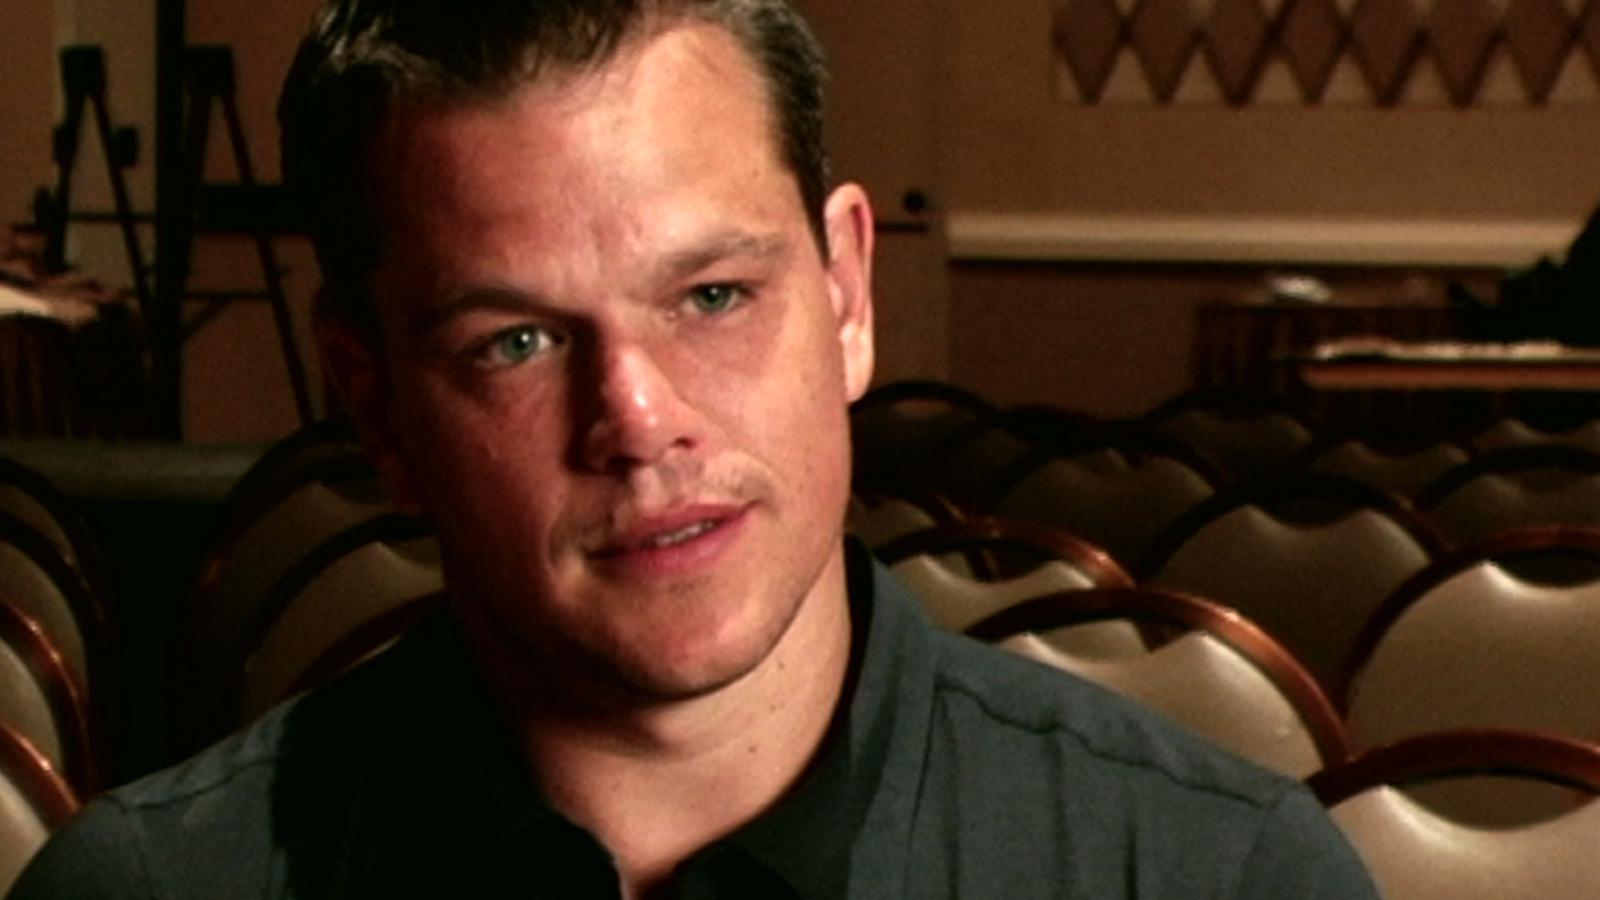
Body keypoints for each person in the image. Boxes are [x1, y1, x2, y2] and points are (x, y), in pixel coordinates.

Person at [10, 1, 1379, 897]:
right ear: (374, 407)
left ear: (846, 295)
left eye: (714, 296)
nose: (638, 418)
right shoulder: (154, 891)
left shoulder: (1214, 876)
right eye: (515, 342)